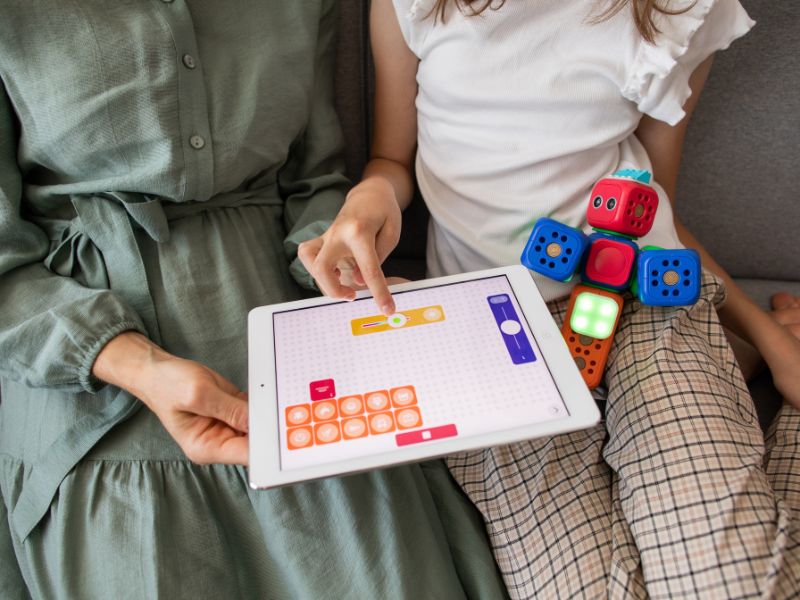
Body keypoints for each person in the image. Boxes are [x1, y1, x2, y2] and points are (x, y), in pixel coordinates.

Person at [0, 2, 510, 598]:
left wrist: (339, 266)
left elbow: (313, 182)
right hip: (88, 383)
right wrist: (135, 363)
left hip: (296, 348)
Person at [300, 0, 800, 596]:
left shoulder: (681, 9)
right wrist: (369, 197)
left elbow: (656, 203)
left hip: (646, 304)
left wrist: (769, 339)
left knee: (729, 581)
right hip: (492, 334)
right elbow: (391, 159)